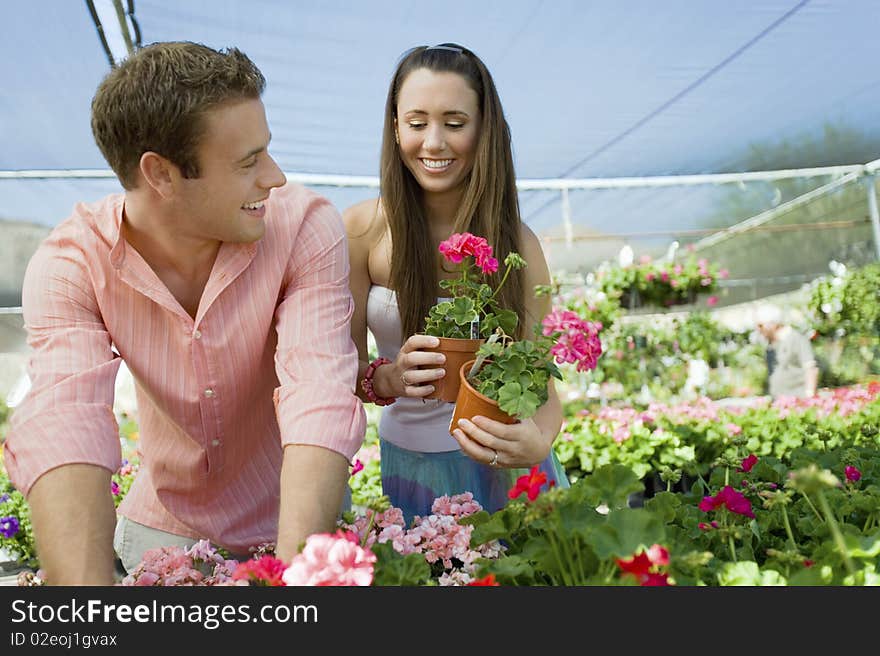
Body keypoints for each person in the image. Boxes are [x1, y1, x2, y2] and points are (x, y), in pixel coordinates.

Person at [4, 41, 366, 585]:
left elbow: (318, 390)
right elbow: (65, 418)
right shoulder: (71, 264)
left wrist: (296, 579)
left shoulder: (305, 227)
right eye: (249, 161)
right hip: (165, 534)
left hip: (297, 517)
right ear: (162, 175)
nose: (275, 177)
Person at [343, 43, 568, 522]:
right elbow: (344, 371)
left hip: (508, 468)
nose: (434, 143)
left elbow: (543, 383)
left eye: (455, 123)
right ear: (395, 127)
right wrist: (389, 377)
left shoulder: (518, 243)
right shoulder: (361, 232)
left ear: (484, 129)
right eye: (417, 122)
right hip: (413, 470)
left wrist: (538, 441)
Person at [755, 304, 818, 399]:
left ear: (773, 324)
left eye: (760, 325)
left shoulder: (796, 339)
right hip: (779, 402)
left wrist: (809, 395)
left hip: (797, 401)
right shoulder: (770, 345)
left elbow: (810, 368)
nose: (758, 330)